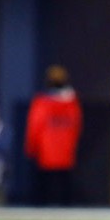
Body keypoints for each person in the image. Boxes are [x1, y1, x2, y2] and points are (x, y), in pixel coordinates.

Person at [25, 65, 83, 206]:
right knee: (63, 188)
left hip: (46, 152)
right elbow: (77, 127)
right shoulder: (73, 103)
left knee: (45, 190)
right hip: (64, 152)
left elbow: (34, 127)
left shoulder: (42, 103)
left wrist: (31, 149)